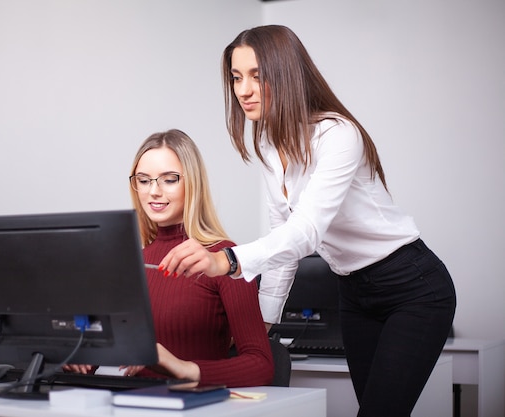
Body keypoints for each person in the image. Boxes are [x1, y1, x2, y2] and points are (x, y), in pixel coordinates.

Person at [158, 25, 456, 416]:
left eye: (256, 76)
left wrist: (226, 261)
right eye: (235, 77)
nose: (242, 90)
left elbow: (307, 231)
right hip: (353, 293)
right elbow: (283, 238)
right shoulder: (267, 142)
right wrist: (262, 327)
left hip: (412, 286)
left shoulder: (337, 135)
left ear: (286, 75)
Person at [64, 129, 274, 388]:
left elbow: (261, 365)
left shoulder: (224, 259)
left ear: (192, 183)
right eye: (143, 180)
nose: (154, 191)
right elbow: (97, 353)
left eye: (169, 179)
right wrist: (76, 358)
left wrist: (183, 369)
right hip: (133, 403)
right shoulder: (132, 263)